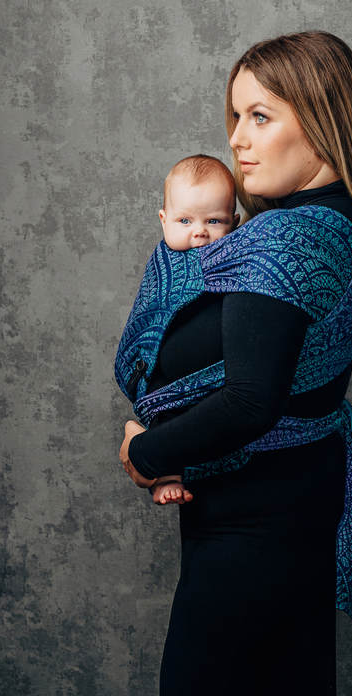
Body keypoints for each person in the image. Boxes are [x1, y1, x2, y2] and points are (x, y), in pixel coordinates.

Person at [116, 30, 352, 696]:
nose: (237, 139)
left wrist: (146, 452)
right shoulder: (341, 222)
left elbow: (249, 400)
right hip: (292, 507)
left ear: (322, 118)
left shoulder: (284, 238)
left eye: (261, 116)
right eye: (235, 116)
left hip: (252, 527)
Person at [146, 154, 241, 506]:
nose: (199, 231)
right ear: (164, 220)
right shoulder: (164, 264)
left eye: (214, 221)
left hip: (217, 381)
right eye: (184, 220)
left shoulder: (237, 258)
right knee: (167, 413)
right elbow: (151, 313)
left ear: (234, 223)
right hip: (169, 376)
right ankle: (166, 474)